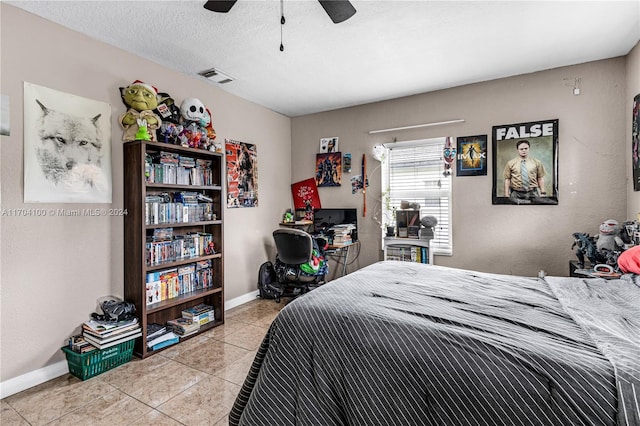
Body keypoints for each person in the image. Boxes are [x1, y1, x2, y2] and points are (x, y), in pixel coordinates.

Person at [503, 140, 550, 204]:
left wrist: (543, 192)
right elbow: (507, 179)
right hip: (516, 193)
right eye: (521, 149)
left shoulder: (536, 162)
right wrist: (506, 194)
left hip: (533, 192)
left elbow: (540, 178)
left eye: (526, 148)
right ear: (517, 150)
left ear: (529, 149)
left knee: (536, 211)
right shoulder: (510, 163)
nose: (524, 150)